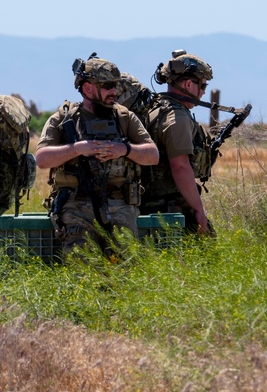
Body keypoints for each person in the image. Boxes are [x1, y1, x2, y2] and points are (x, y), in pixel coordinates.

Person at [35, 54, 159, 256]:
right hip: (77, 206)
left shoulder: (124, 117)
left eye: (116, 85)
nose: (114, 91)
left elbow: (152, 155)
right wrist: (77, 149)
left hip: (120, 205)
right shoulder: (64, 118)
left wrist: (124, 150)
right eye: (108, 85)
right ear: (88, 88)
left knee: (126, 270)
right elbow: (42, 159)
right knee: (83, 269)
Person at [139, 49, 216, 236]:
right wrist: (198, 209)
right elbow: (180, 166)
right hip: (170, 208)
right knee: (205, 253)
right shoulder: (177, 117)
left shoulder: (156, 109)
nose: (204, 93)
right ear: (189, 84)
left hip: (150, 204)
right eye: (203, 86)